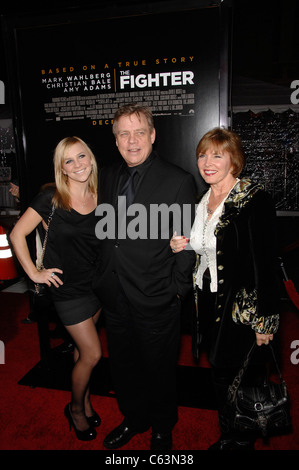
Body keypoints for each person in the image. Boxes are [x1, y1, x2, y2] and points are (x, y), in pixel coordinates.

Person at [93, 103, 196, 450]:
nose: (131, 141)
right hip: (114, 294)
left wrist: (177, 291)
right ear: (115, 140)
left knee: (159, 369)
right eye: (124, 133)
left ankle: (162, 428)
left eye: (139, 132)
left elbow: (188, 244)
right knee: (122, 366)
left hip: (157, 295)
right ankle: (133, 419)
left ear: (153, 136)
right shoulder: (106, 176)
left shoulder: (178, 180)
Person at [170, 127, 280, 450]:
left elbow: (266, 263)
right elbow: (214, 247)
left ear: (234, 160)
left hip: (240, 307)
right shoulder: (205, 197)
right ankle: (230, 434)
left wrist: (265, 321)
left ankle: (242, 439)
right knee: (219, 373)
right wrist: (186, 245)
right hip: (208, 299)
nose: (207, 161)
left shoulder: (253, 198)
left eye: (217, 154)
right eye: (203, 154)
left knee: (242, 378)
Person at [10, 136, 102, 441]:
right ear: (61, 168)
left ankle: (86, 400)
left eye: (81, 157)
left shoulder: (100, 196)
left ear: (90, 158)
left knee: (80, 351)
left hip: (95, 286)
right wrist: (34, 273)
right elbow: (17, 234)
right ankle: (75, 409)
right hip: (66, 289)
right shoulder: (51, 199)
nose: (77, 165)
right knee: (92, 354)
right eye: (69, 161)